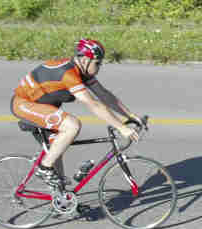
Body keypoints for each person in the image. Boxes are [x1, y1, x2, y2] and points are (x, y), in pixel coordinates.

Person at [10, 38, 141, 188]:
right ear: (85, 60)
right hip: (24, 104)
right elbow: (93, 104)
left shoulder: (81, 71)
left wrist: (129, 116)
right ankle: (43, 168)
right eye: (97, 63)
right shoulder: (68, 75)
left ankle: (62, 199)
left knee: (56, 150)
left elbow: (104, 95)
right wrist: (121, 127)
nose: (99, 67)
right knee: (72, 125)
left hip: (45, 106)